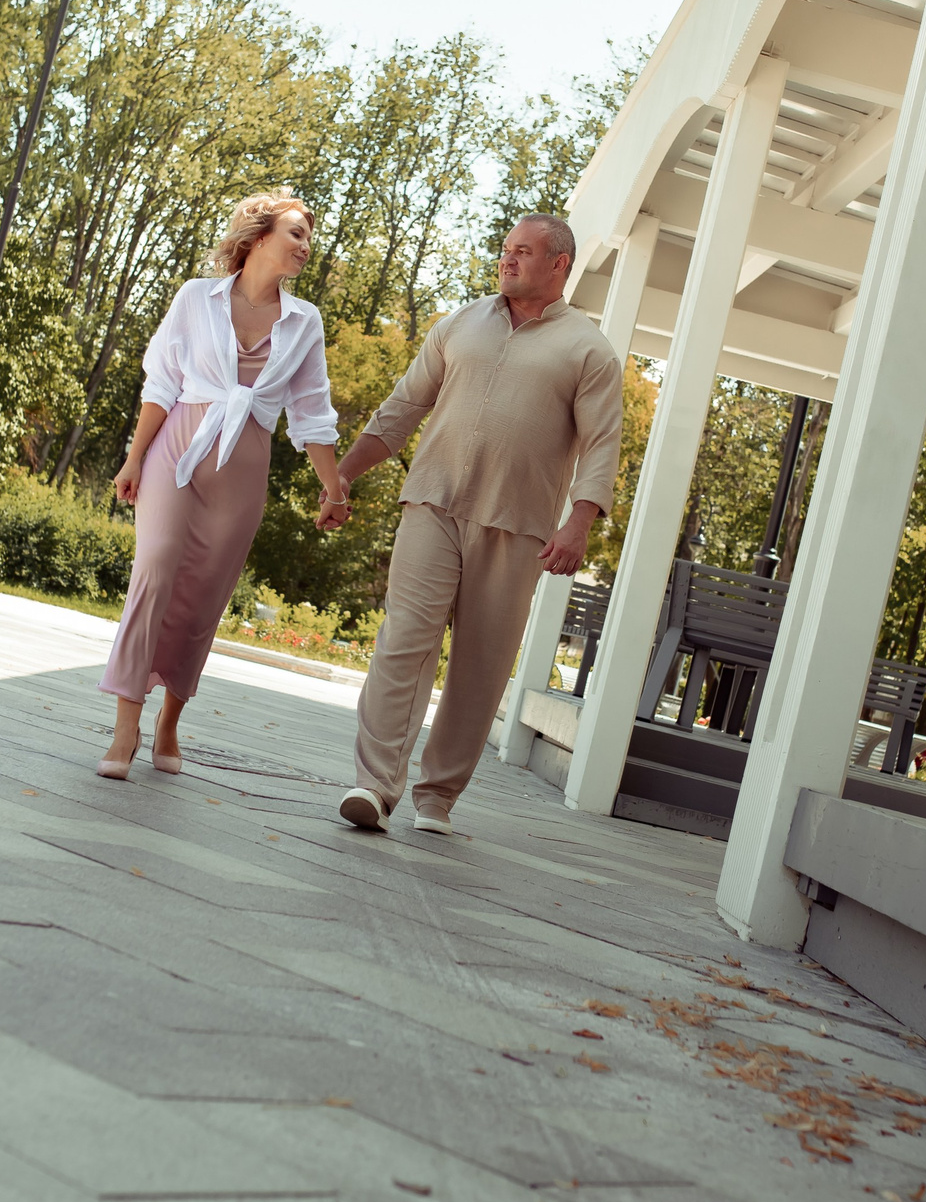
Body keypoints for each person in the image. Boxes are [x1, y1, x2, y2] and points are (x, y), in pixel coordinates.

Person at [318, 214, 623, 834]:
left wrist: (579, 522)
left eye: (524, 252)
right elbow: (403, 406)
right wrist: (342, 476)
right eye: (506, 250)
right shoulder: (458, 324)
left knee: (481, 666)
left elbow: (600, 445)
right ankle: (374, 786)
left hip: (519, 526)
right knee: (404, 641)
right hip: (433, 503)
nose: (508, 261)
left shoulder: (588, 349)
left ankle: (438, 796)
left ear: (559, 264)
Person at [100, 190, 346, 778]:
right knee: (155, 569)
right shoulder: (195, 298)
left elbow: (311, 413)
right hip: (179, 448)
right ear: (259, 237)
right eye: (295, 234)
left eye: (308, 237)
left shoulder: (304, 321)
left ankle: (169, 723)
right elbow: (161, 382)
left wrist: (334, 488)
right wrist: (134, 459)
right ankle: (126, 728)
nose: (305, 246)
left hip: (243, 465)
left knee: (202, 598)